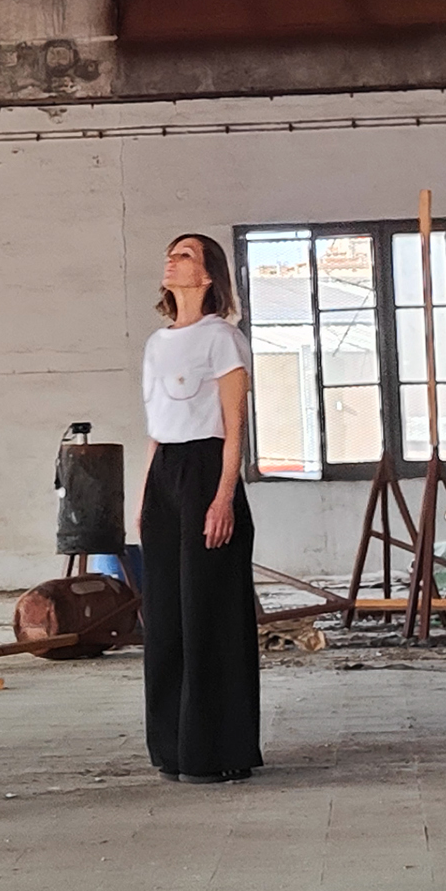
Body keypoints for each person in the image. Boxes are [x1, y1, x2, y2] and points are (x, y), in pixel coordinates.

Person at [138, 233, 262, 785]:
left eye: (184, 255)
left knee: (209, 612)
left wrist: (224, 496)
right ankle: (172, 747)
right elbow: (155, 428)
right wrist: (144, 499)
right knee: (165, 615)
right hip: (164, 474)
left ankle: (217, 749)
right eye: (170, 253)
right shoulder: (156, 344)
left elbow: (235, 427)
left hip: (208, 470)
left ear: (208, 275)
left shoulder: (223, 339)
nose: (171, 260)